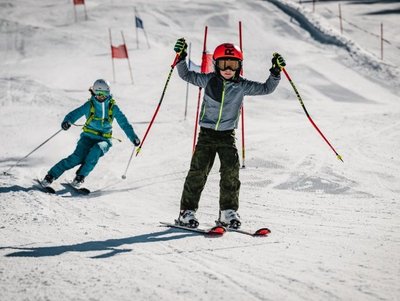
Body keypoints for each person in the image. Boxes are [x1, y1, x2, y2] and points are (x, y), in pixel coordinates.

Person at [173, 38, 285, 228]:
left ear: (239, 66)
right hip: (206, 134)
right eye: (224, 64)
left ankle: (228, 212)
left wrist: (275, 72)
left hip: (227, 136)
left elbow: (266, 88)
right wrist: (181, 56)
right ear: (216, 64)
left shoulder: (242, 85)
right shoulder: (208, 80)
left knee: (231, 173)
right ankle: (187, 212)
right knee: (198, 172)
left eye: (232, 65)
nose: (228, 69)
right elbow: (186, 75)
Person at [41, 79, 140, 188]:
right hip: (87, 138)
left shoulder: (113, 108)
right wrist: (67, 122)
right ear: (93, 92)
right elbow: (75, 113)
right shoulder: (89, 105)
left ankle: (80, 177)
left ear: (109, 93)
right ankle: (51, 176)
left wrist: (133, 137)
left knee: (96, 151)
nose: (101, 96)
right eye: (98, 93)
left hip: (104, 140)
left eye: (104, 94)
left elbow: (124, 123)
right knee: (76, 158)